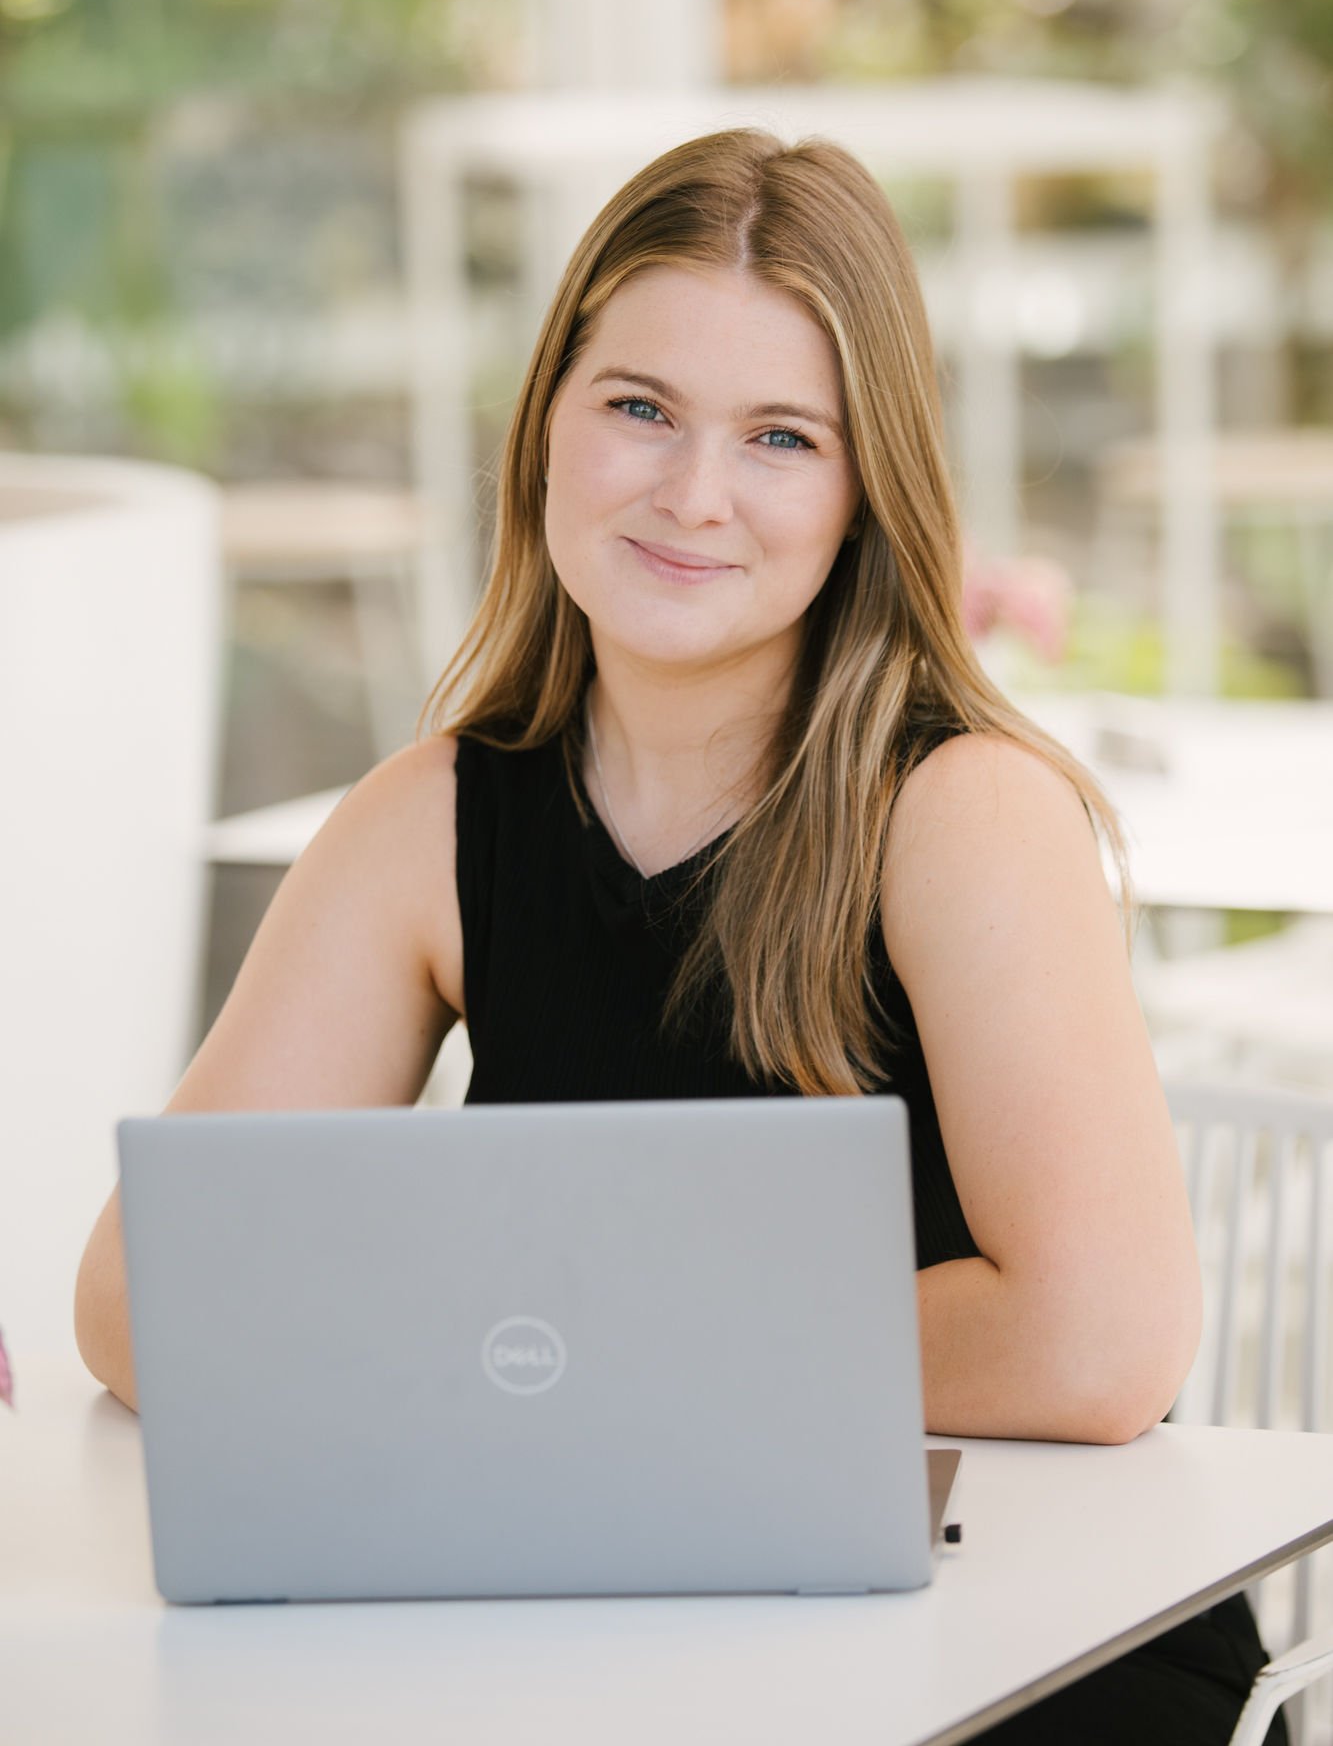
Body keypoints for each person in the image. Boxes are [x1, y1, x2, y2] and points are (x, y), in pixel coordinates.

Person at [75, 127, 1283, 1743]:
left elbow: (1096, 1343)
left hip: (1016, 1644)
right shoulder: (429, 819)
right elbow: (146, 1300)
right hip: (631, 1636)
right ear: (547, 427)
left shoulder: (960, 810)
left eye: (781, 437)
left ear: (866, 492)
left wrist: (531, 1356)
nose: (692, 494)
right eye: (637, 407)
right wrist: (610, 1369)